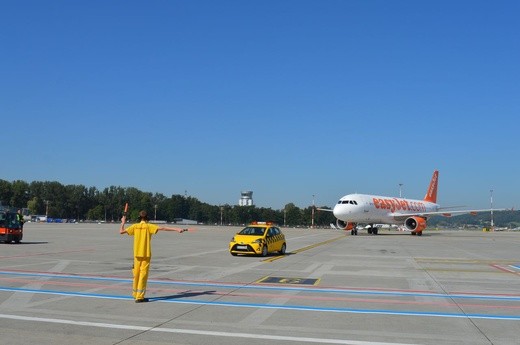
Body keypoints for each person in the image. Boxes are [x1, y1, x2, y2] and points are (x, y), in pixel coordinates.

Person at [120, 210, 188, 303]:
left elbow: (121, 231)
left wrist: (123, 223)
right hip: (145, 254)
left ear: (139, 218)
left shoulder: (135, 226)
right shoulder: (148, 226)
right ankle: (139, 297)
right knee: (143, 275)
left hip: (136, 254)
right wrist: (176, 229)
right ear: (147, 218)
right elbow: (163, 228)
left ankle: (135, 294)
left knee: (136, 275)